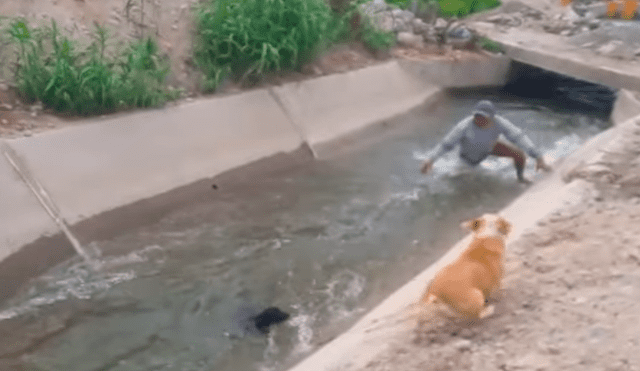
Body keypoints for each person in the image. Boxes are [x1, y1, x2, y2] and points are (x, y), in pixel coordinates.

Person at [420, 100, 551, 183]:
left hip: (490, 146)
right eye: (476, 116)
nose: (479, 119)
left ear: (492, 117)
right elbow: (446, 145)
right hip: (468, 157)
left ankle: (521, 179)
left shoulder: (499, 122)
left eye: (483, 117)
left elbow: (519, 137)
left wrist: (538, 156)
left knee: (519, 154)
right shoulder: (464, 126)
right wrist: (430, 160)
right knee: (468, 183)